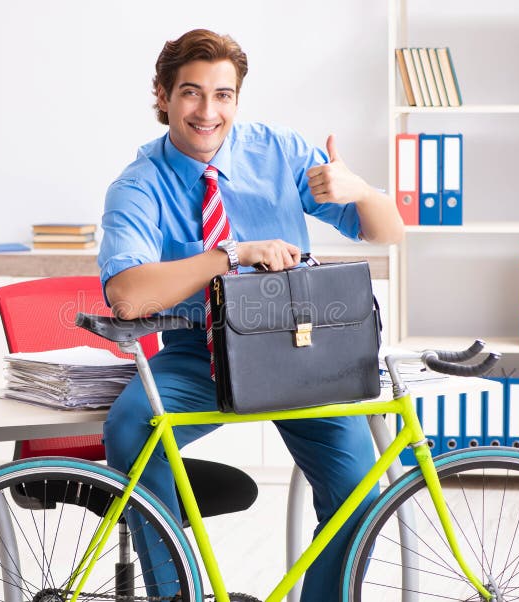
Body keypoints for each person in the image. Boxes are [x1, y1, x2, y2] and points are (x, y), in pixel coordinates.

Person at [98, 28, 404, 600]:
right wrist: (230, 256)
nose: (207, 111)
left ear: (237, 98)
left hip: (298, 350)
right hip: (201, 353)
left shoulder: (280, 152)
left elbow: (389, 233)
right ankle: (174, 591)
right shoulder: (138, 186)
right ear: (162, 96)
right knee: (131, 425)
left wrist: (360, 190)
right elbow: (128, 299)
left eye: (223, 95)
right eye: (190, 93)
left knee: (359, 488)